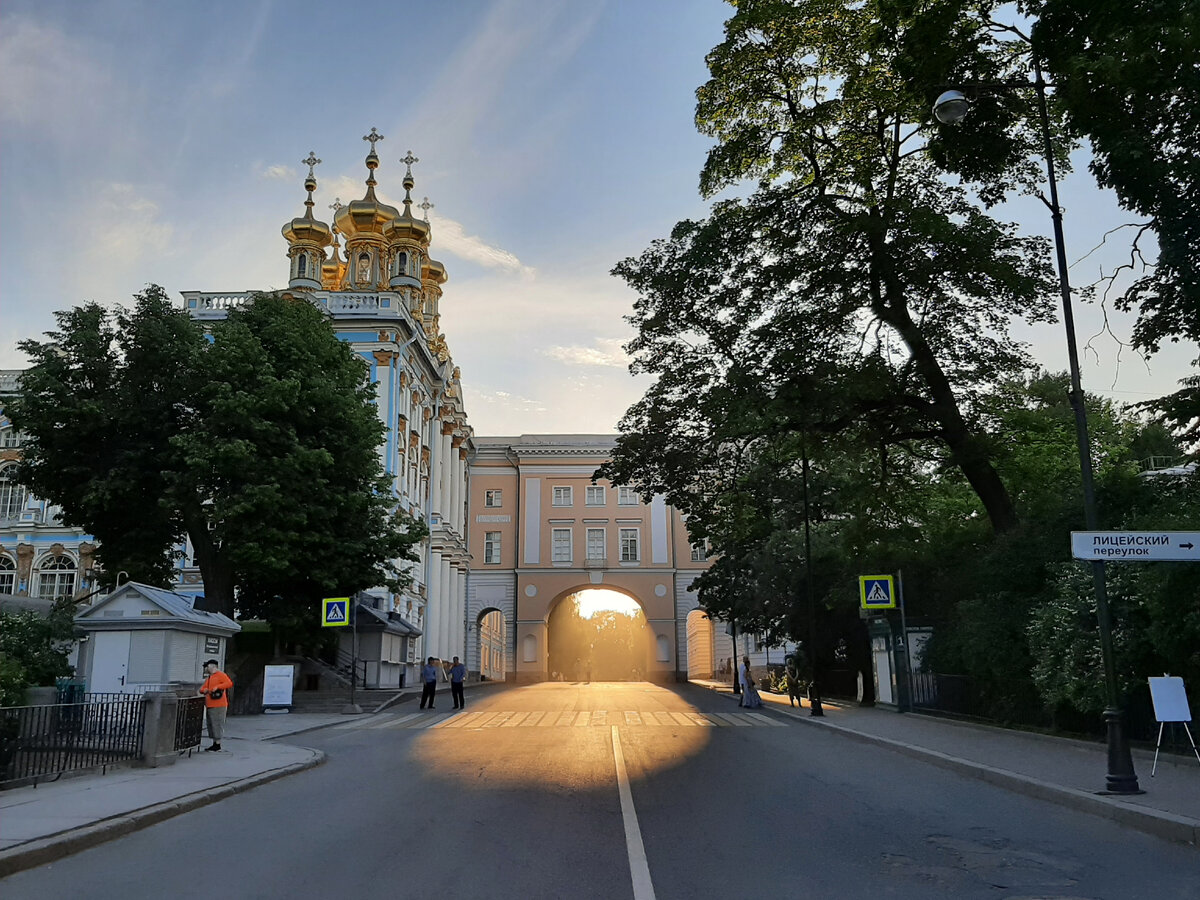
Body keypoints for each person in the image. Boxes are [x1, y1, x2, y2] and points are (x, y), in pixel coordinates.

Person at [199, 659, 233, 751]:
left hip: (219, 704)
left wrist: (218, 687)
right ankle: (215, 743)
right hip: (210, 704)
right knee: (212, 724)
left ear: (213, 666)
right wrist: (204, 690)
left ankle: (217, 744)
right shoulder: (209, 677)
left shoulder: (221, 675)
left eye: (207, 666)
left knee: (217, 723)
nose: (206, 668)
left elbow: (229, 683)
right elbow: (202, 688)